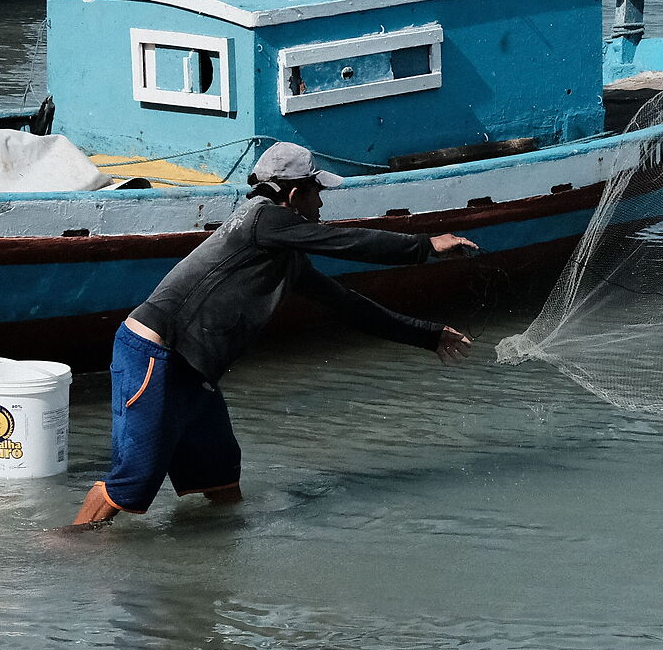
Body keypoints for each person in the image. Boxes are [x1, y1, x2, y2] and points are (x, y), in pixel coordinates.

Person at [72, 143, 476, 525]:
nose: (320, 204)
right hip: (155, 354)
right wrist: (425, 245)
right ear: (296, 193)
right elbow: (345, 241)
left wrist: (427, 335)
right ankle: (60, 553)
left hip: (192, 368)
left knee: (220, 474)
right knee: (134, 481)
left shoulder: (280, 250)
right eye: (317, 194)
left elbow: (348, 306)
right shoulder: (263, 219)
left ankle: (217, 565)